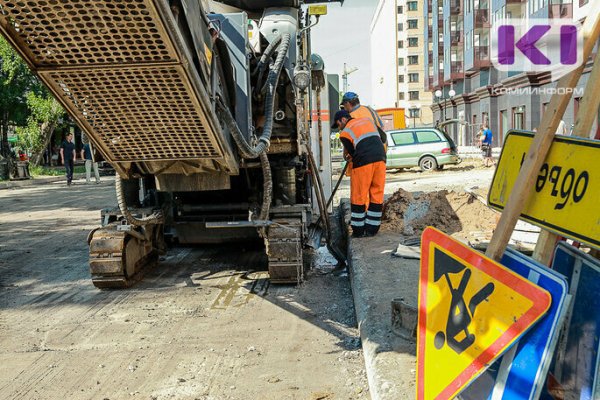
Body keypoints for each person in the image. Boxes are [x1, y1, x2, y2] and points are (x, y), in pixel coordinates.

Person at [333, 110, 387, 238]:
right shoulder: (368, 121)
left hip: (363, 162)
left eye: (338, 124)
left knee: (359, 195)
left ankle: (358, 230)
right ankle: (372, 229)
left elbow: (351, 154)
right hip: (381, 159)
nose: (339, 128)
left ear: (343, 120)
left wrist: (348, 156)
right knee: (376, 193)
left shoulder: (345, 133)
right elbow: (383, 138)